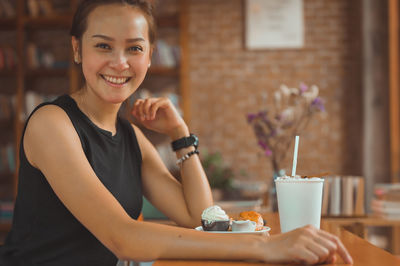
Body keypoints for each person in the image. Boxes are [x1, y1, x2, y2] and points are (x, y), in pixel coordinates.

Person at [0, 0, 353, 265]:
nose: (120, 62)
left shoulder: (130, 136)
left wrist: (181, 134)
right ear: (77, 49)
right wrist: (264, 247)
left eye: (134, 48)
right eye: (103, 45)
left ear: (150, 56)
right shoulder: (52, 123)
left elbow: (202, 219)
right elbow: (123, 238)